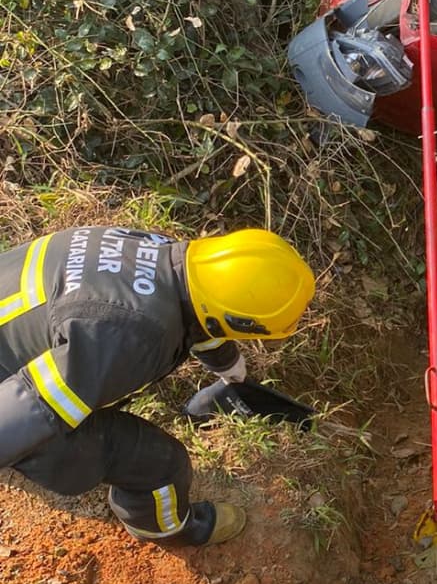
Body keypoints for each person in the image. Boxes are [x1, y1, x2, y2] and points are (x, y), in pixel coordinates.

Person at [0, 226, 315, 546]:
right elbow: (26, 410)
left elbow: (199, 311)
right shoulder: (127, 334)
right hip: (11, 401)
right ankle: (168, 529)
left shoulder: (160, 250)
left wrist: (226, 363)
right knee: (158, 464)